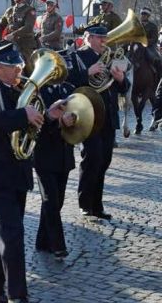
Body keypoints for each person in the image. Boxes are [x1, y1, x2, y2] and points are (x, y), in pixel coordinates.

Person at [0, 43, 66, 302]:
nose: (19, 70)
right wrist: (22, 113)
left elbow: (30, 128)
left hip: (17, 171)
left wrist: (47, 115)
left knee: (2, 228)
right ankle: (17, 295)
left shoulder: (19, 90)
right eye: (12, 67)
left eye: (18, 66)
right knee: (12, 230)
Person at [68, 26, 129, 220]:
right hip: (89, 115)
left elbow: (123, 87)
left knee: (104, 160)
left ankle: (97, 205)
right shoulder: (78, 57)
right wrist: (88, 72)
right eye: (100, 37)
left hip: (108, 115)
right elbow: (69, 83)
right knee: (92, 158)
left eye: (105, 37)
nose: (104, 40)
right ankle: (85, 204)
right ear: (89, 38)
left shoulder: (110, 56)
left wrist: (121, 79)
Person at [33, 69, 76, 260]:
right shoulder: (39, 93)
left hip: (65, 154)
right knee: (51, 200)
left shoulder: (70, 90)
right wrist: (58, 122)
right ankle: (58, 245)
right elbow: (36, 126)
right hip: (44, 154)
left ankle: (42, 241)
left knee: (57, 200)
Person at [0, 0, 37, 74]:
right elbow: (0, 25)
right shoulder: (10, 10)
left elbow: (28, 27)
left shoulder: (30, 10)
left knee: (29, 68)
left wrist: (13, 35)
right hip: (10, 44)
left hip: (25, 45)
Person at [139, 7, 162, 76]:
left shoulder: (153, 26)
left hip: (149, 46)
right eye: (142, 14)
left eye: (145, 14)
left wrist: (144, 42)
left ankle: (158, 74)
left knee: (156, 59)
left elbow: (154, 39)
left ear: (148, 16)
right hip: (137, 45)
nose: (143, 15)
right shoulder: (137, 25)